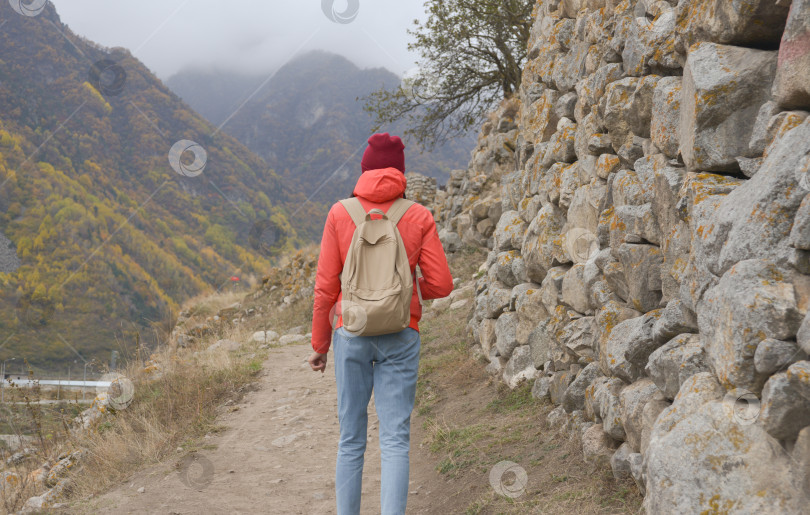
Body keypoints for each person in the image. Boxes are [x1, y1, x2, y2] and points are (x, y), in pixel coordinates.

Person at [308, 132, 453, 515]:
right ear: (401, 172)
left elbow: (325, 288)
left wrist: (321, 346)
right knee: (395, 440)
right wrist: (406, 290)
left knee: (351, 439)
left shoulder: (340, 213)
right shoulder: (418, 215)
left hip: (350, 331)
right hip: (402, 332)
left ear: (364, 169)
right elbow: (442, 283)